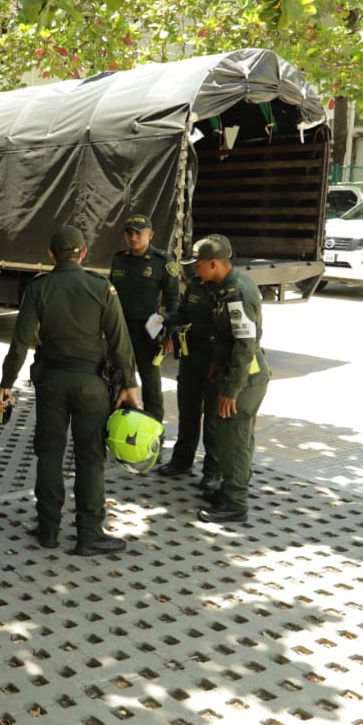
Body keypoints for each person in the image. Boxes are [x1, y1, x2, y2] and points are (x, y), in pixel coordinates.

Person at [0, 226, 140, 555]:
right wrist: (130, 384)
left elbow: (19, 344)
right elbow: (120, 341)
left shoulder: (38, 288)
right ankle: (89, 533)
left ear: (50, 254)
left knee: (49, 454)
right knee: (90, 458)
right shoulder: (101, 287)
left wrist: (6, 384)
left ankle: (48, 529)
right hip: (92, 386)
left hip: (51, 383)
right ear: (84, 253)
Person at [185, 234, 270, 523]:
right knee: (233, 438)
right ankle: (231, 489)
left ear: (213, 263)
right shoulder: (225, 286)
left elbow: (245, 346)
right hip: (234, 373)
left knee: (234, 441)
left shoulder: (236, 293)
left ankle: (235, 503)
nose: (194, 269)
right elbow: (227, 338)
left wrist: (230, 391)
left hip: (244, 379)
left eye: (197, 264)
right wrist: (214, 363)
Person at [156, 264, 223, 491]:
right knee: (188, 410)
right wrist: (165, 319)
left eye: (202, 261)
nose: (196, 266)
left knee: (213, 419)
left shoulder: (230, 287)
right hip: (192, 353)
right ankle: (181, 461)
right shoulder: (195, 284)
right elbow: (184, 314)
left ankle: (213, 471)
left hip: (216, 356)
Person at [108, 214, 180, 422]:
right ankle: (116, 422)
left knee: (150, 383)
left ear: (150, 235)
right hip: (120, 329)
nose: (133, 238)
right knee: (114, 377)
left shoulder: (162, 262)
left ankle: (154, 428)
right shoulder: (119, 259)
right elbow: (111, 296)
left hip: (148, 331)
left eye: (138, 233)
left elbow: (173, 300)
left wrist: (170, 335)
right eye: (129, 233)